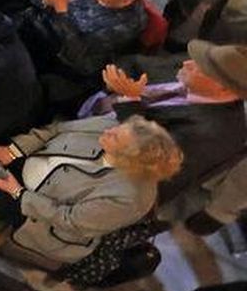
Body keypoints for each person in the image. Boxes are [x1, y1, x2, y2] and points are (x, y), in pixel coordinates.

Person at [0, 115, 180, 272]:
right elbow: (55, 130)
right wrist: (11, 152)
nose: (108, 130)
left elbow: (70, 220)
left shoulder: (129, 198)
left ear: (127, 159)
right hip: (28, 164)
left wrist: (17, 192)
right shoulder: (108, 127)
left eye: (115, 137)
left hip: (39, 207)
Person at [85, 43, 247, 204]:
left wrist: (130, 100)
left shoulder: (216, 134)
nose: (187, 63)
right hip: (87, 104)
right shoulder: (190, 66)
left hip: (100, 163)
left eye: (201, 67)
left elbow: (147, 157)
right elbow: (134, 61)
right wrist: (116, 80)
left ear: (223, 89)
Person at [22, 0, 151, 114]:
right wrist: (46, 1)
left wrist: (61, 12)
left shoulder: (129, 23)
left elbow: (77, 54)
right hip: (34, 27)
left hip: (62, 61)